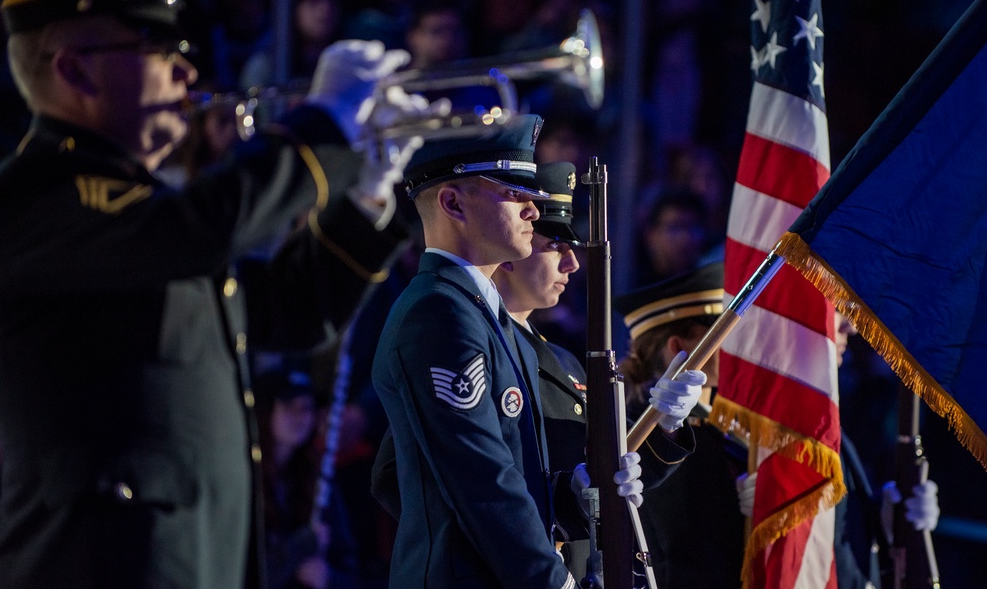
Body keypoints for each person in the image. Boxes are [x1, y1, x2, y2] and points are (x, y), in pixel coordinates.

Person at [0, 0, 432, 588]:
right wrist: (321, 129)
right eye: (158, 50)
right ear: (75, 69)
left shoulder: (144, 217)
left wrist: (367, 198)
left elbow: (287, 312)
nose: (188, 72)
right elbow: (205, 226)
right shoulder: (32, 197)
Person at [370, 161, 701, 584]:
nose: (572, 264)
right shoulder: (449, 324)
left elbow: (564, 468)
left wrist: (576, 496)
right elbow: (421, 480)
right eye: (555, 245)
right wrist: (539, 554)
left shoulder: (552, 358)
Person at [736, 312, 942, 588]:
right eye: (833, 308)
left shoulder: (821, 414)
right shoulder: (759, 419)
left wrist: (884, 516)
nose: (851, 326)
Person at [614, 261, 747, 588]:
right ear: (678, 348)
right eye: (720, 334)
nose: (736, 346)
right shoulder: (643, 430)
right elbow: (679, 547)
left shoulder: (718, 423)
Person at [255, 367, 359, 589]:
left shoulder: (319, 481)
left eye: (307, 408)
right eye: (288, 406)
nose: (301, 416)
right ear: (266, 411)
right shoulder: (246, 480)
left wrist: (328, 577)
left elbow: (349, 566)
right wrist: (300, 546)